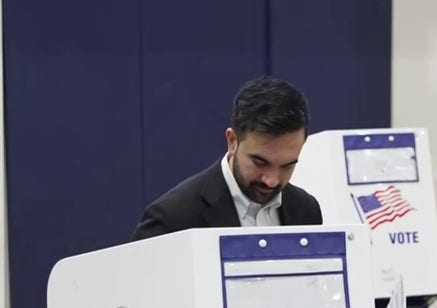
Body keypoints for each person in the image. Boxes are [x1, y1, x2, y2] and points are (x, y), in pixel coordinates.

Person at [131, 76, 322, 241]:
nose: (272, 180)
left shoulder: (307, 211)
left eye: (287, 166)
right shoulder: (172, 219)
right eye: (259, 162)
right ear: (232, 141)